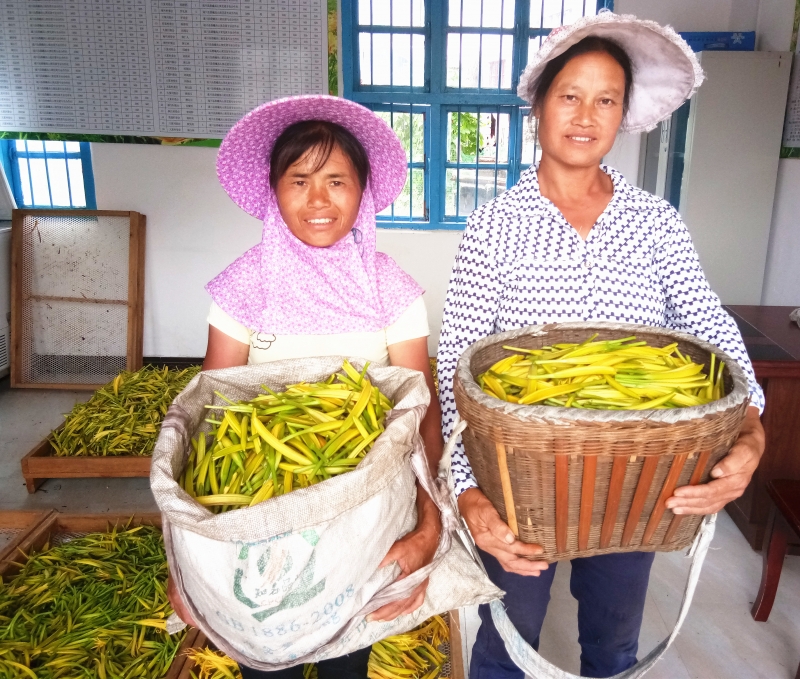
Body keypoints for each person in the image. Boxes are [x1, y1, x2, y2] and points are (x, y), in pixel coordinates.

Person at [436, 12, 766, 679]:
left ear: (623, 115)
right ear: (537, 105)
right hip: (521, 480)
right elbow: (455, 369)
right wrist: (469, 493)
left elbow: (709, 325)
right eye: (570, 95)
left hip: (635, 476)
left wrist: (753, 430)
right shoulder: (494, 226)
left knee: (613, 648)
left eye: (606, 100)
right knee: (507, 646)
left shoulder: (655, 222)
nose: (586, 116)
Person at [167, 95, 444, 679]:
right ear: (275, 191)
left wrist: (429, 524)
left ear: (362, 192)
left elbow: (422, 415)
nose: (318, 200)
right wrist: (186, 556)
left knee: (347, 661)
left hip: (363, 530)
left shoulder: (390, 290)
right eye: (299, 181)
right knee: (267, 662)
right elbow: (208, 421)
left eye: (337, 181)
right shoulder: (243, 287)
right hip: (257, 524)